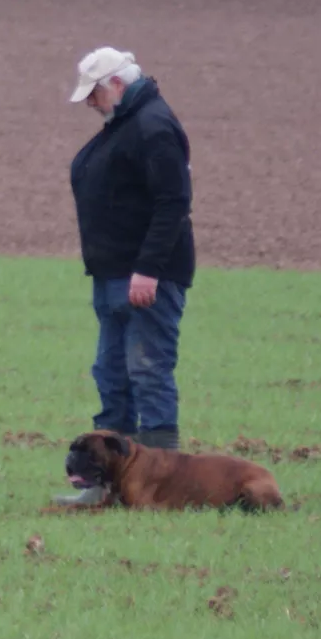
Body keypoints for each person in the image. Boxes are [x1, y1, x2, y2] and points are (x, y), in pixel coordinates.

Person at [62, 46, 195, 502]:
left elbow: (173, 203)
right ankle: (104, 486)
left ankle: (162, 489)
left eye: (94, 93)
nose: (90, 102)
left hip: (144, 277)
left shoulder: (153, 126)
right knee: (112, 375)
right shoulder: (125, 124)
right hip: (113, 274)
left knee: (148, 372)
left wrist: (148, 270)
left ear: (116, 84)